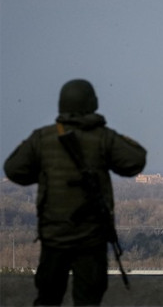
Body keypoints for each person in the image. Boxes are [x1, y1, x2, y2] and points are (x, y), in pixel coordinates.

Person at [3, 79, 147, 306]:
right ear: (92, 104)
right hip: (91, 237)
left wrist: (42, 174)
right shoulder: (103, 138)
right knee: (88, 299)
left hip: (54, 235)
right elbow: (135, 161)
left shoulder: (42, 138)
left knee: (48, 298)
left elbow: (13, 169)